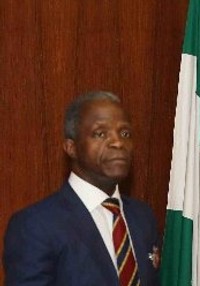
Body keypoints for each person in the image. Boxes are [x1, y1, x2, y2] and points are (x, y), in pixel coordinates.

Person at [4, 91, 161, 285]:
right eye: (100, 133)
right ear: (71, 147)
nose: (118, 142)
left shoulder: (143, 217)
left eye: (125, 133)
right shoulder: (35, 226)